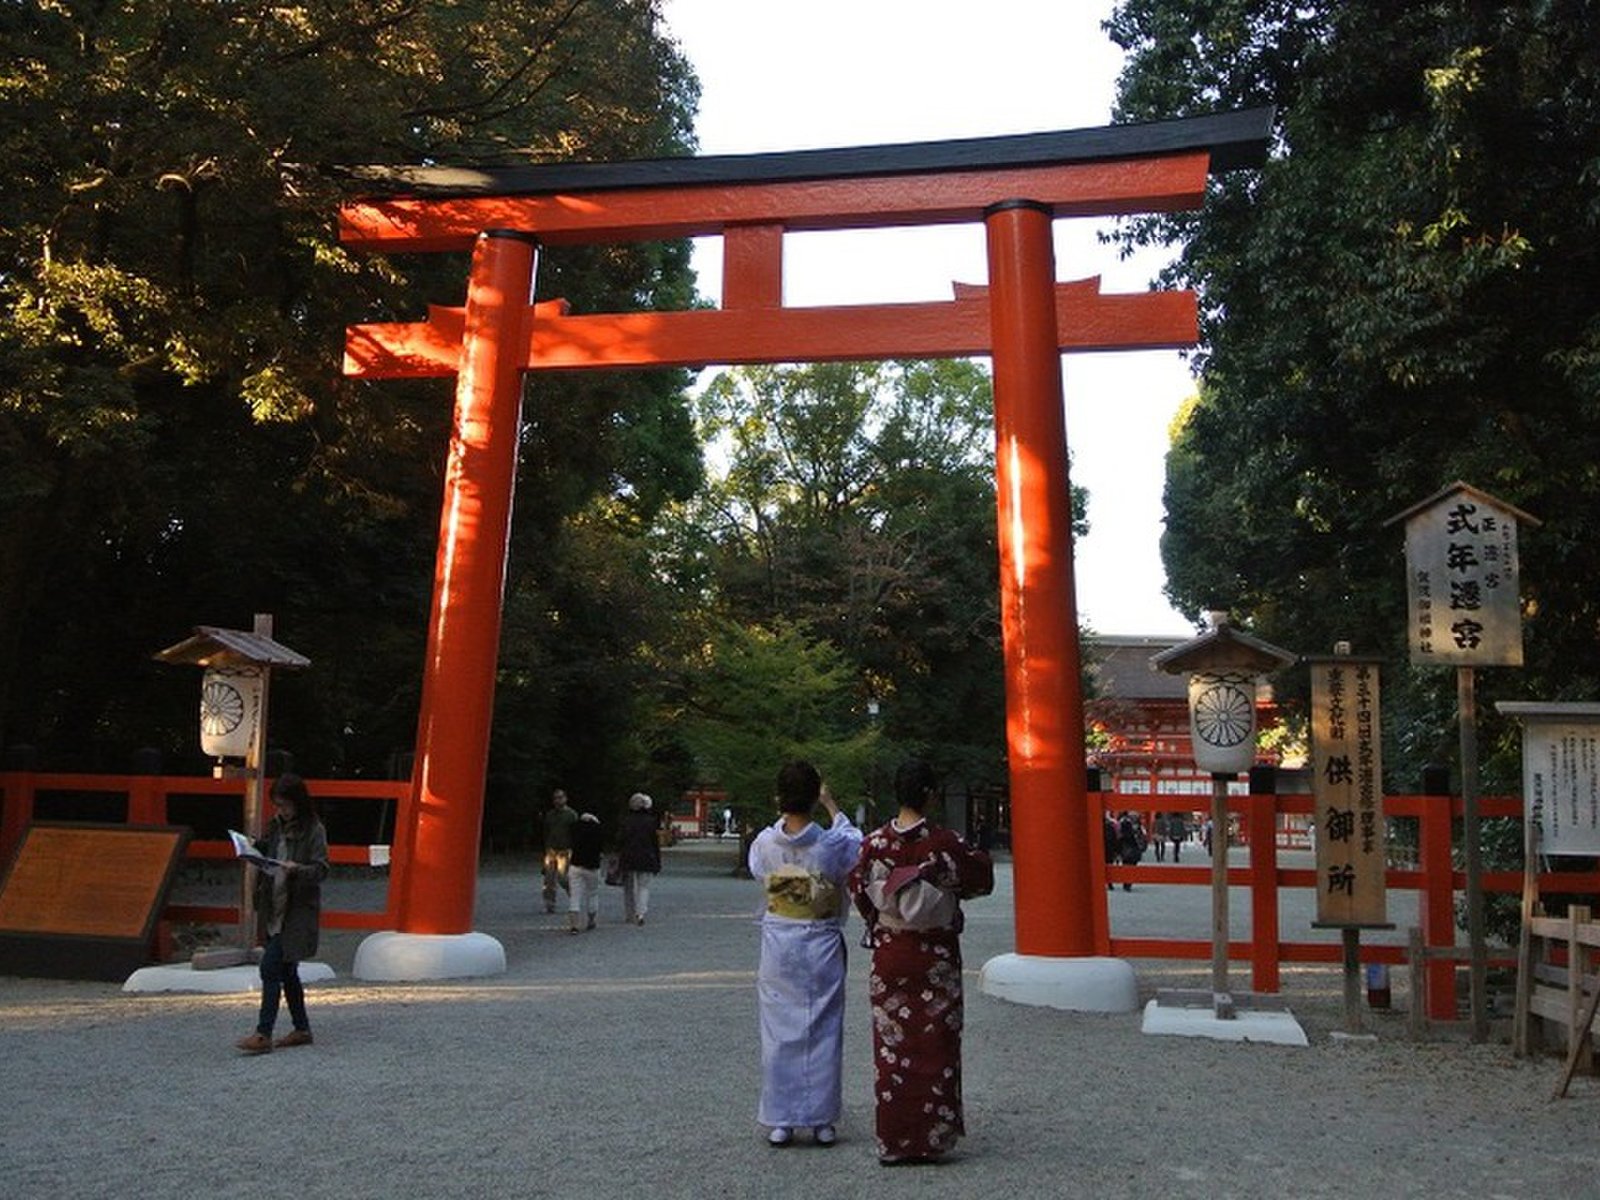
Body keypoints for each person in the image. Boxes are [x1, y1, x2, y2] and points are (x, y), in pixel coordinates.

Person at [848, 759, 993, 1166]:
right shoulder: (945, 843)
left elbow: (860, 891)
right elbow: (980, 877)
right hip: (935, 957)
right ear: (930, 794)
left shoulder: (874, 843)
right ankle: (931, 1137)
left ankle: (894, 1140)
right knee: (937, 1044)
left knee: (892, 1048)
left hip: (892, 953)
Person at [747, 761, 861, 1149]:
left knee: (779, 1032)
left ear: (779, 798)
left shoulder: (763, 844)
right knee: (823, 1028)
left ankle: (781, 1119)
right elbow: (855, 844)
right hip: (820, 942)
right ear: (814, 796)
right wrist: (832, 806)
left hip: (780, 941)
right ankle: (821, 1120)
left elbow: (757, 871)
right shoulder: (829, 846)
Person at [236, 773, 329, 1055]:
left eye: (286, 806)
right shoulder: (276, 826)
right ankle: (301, 1028)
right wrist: (253, 848)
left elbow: (322, 869)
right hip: (275, 903)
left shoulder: (314, 830)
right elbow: (267, 849)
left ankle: (263, 1032)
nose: (281, 811)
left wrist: (296, 869)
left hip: (296, 909)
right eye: (278, 805)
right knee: (288, 971)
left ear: (298, 803)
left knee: (270, 967)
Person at [617, 792, 660, 925]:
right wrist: (657, 860)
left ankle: (629, 914)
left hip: (628, 857)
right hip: (646, 857)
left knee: (628, 887)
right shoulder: (651, 821)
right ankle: (640, 913)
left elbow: (619, 840)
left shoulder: (625, 820)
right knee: (643, 887)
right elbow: (654, 842)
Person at [541, 788, 578, 913]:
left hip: (565, 850)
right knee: (549, 879)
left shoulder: (571, 815)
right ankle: (550, 903)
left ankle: (574, 898)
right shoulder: (550, 815)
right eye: (555, 798)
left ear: (565, 798)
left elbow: (576, 834)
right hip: (551, 850)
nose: (558, 800)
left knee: (563, 878)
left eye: (560, 797)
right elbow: (546, 832)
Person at [567, 811, 604, 933]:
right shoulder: (598, 831)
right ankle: (591, 920)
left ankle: (574, 925)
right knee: (592, 894)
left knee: (575, 896)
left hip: (576, 866)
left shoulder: (575, 830)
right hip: (592, 867)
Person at [1116, 811, 1145, 890]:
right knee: (1131, 865)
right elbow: (1142, 838)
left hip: (1126, 848)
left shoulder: (1122, 825)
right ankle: (1128, 883)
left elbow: (1119, 838)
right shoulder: (1137, 828)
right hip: (1132, 848)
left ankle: (1126, 882)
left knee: (1126, 865)